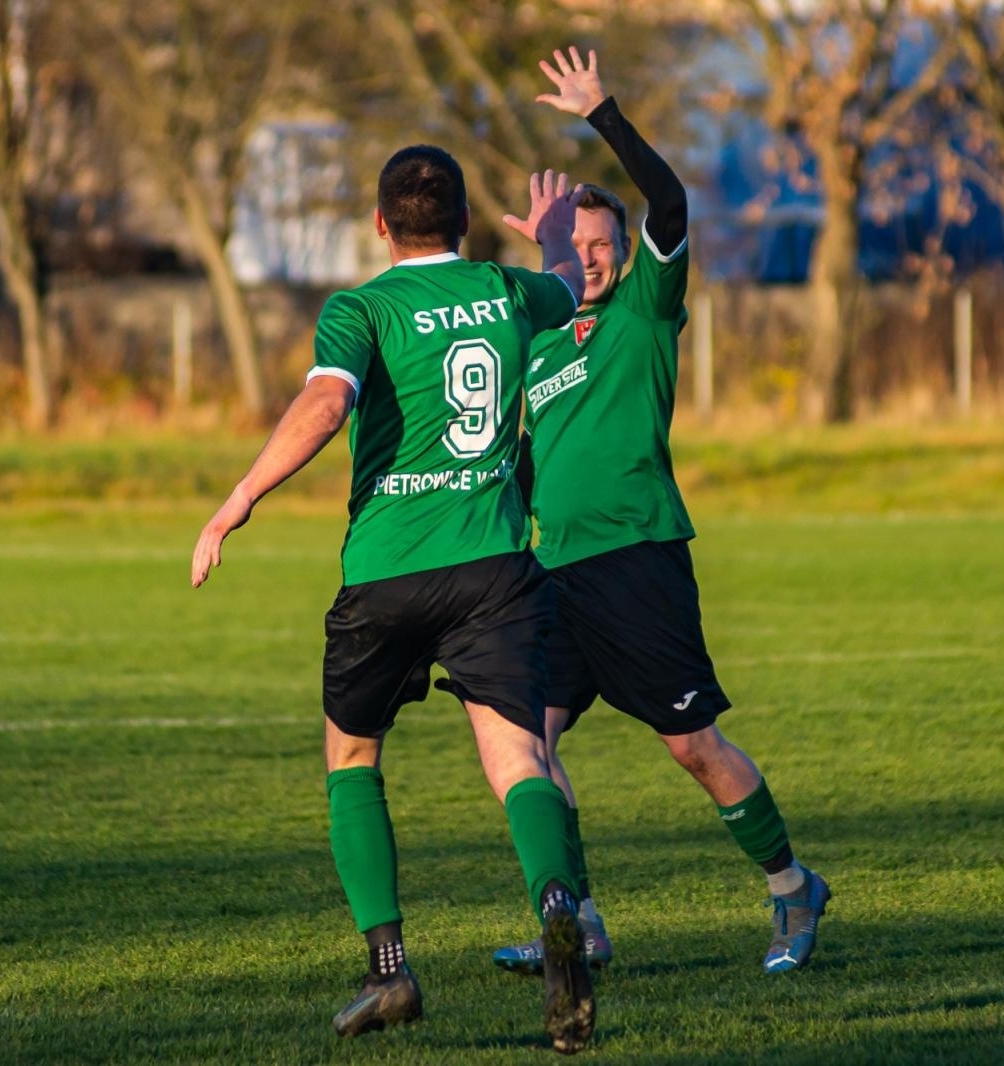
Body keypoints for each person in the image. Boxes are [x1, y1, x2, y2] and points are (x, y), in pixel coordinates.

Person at [191, 146, 597, 1053]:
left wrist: (240, 497)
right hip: (494, 566)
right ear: (462, 223)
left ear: (380, 225)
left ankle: (390, 972)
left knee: (352, 756)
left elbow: (327, 407)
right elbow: (568, 284)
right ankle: (562, 907)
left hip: (385, 573)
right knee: (518, 759)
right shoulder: (508, 289)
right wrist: (556, 239)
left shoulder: (362, 308)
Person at [493, 48, 830, 977]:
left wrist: (604, 112)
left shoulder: (648, 305)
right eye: (580, 247)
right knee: (530, 749)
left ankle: (792, 886)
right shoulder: (538, 327)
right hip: (552, 571)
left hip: (637, 560)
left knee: (691, 743)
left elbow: (672, 207)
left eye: (604, 244)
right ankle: (580, 923)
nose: (593, 259)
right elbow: (524, 451)